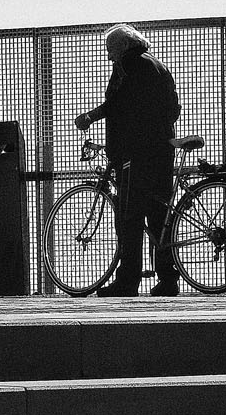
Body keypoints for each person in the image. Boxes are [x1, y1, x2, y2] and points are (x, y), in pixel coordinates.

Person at [73, 24, 182, 297]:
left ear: (122, 47)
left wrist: (89, 117)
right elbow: (174, 109)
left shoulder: (128, 64)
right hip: (162, 152)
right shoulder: (160, 66)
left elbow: (117, 103)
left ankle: (127, 281)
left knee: (129, 218)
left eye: (111, 50)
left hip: (134, 154)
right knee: (160, 217)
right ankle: (168, 279)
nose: (109, 57)